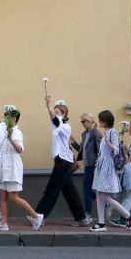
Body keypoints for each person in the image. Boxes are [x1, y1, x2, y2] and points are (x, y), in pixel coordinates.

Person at [34, 97, 88, 227]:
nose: (55, 113)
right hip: (62, 161)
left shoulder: (65, 127)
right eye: (55, 111)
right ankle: (81, 217)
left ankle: (38, 215)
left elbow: (55, 120)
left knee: (52, 189)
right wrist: (49, 107)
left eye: (58, 111)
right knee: (69, 190)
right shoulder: (57, 124)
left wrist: (50, 109)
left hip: (63, 161)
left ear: (64, 114)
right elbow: (53, 119)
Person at [0, 107, 43, 231]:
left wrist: (10, 138)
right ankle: (3, 224)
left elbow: (19, 150)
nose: (5, 118)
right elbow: (2, 150)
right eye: (5, 116)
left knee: (13, 197)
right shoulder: (6, 131)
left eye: (7, 116)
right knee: (2, 196)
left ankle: (36, 216)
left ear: (14, 118)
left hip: (12, 168)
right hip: (4, 167)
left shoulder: (16, 132)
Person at [89, 110, 131, 232]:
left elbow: (116, 150)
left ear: (105, 121)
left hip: (108, 166)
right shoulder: (107, 132)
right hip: (102, 165)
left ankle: (128, 216)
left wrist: (108, 142)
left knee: (104, 195)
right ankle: (101, 223)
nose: (99, 122)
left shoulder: (112, 132)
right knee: (100, 194)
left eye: (101, 120)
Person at [72, 112, 101, 226]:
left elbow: (99, 151)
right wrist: (72, 140)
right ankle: (105, 207)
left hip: (94, 166)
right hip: (88, 165)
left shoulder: (95, 134)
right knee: (92, 192)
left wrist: (98, 167)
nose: (82, 124)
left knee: (87, 190)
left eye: (84, 121)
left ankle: (87, 214)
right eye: (81, 122)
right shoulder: (85, 134)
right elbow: (81, 149)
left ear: (90, 121)